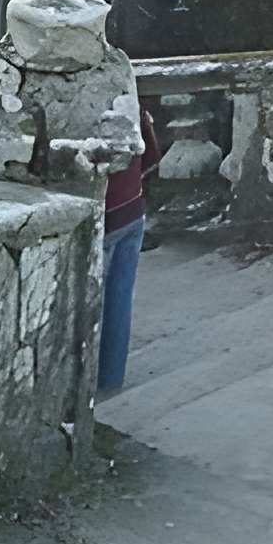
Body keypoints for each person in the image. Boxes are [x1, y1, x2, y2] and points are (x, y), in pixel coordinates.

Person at [96, 101, 153, 395]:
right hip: (133, 208)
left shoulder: (87, 108)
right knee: (120, 299)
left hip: (104, 215)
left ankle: (88, 381)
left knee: (92, 303)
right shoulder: (131, 102)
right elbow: (152, 153)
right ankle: (111, 378)